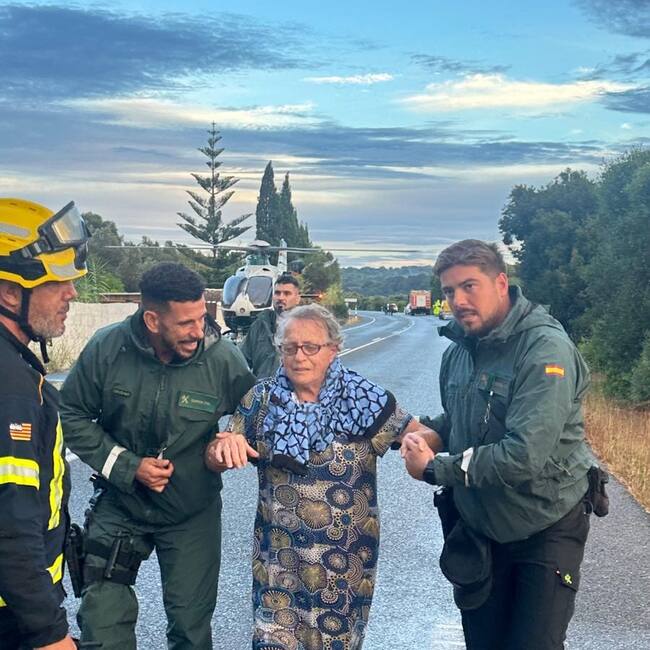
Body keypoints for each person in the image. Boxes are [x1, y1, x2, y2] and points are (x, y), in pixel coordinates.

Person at [205, 303, 435, 650]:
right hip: (278, 565)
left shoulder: (364, 399)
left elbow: (423, 434)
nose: (300, 357)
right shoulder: (261, 402)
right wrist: (223, 448)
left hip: (343, 568)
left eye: (311, 347)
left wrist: (419, 449)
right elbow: (215, 456)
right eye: (290, 348)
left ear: (333, 349)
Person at [401, 239, 594, 650]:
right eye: (449, 290)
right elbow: (464, 417)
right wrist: (429, 431)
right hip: (480, 528)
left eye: (469, 286)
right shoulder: (458, 352)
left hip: (544, 525)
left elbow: (524, 454)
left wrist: (434, 469)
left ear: (501, 283)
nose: (458, 300)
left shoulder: (545, 350)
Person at [60, 262, 255, 650]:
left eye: (202, 318)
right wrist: (129, 467)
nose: (198, 331)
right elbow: (70, 413)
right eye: (186, 323)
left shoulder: (222, 358)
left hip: (191, 512)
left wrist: (231, 437)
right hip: (120, 504)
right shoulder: (107, 348)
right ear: (152, 319)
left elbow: (256, 411)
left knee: (190, 630)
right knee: (102, 627)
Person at [0, 198, 90, 650]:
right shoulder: (10, 386)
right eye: (57, 282)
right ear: (9, 292)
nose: (71, 293)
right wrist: (48, 633)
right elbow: (9, 524)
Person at [240, 273, 301, 378]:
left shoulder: (307, 327)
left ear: (297, 299)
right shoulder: (260, 325)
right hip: (263, 386)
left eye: (287, 294)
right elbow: (241, 361)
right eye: (277, 293)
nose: (281, 298)